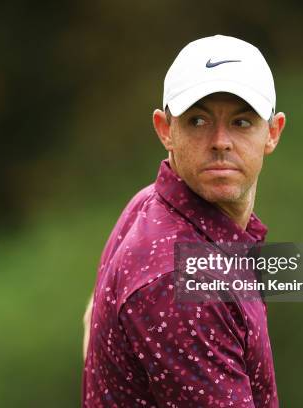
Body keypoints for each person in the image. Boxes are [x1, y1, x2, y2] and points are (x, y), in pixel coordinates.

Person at [82, 34, 286, 407]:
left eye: (241, 122)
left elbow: (93, 317)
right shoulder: (185, 285)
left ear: (272, 132)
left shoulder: (148, 203)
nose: (221, 141)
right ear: (165, 129)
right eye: (198, 120)